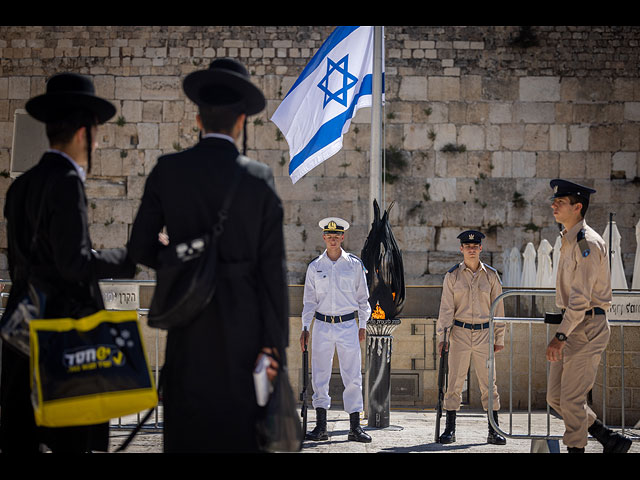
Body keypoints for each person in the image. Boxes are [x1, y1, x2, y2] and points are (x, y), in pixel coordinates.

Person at [127, 58, 289, 453]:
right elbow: (273, 274)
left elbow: (139, 247)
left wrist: (178, 256)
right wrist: (274, 348)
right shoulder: (258, 179)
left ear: (198, 120)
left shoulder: (169, 170)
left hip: (188, 329)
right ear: (241, 121)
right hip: (246, 337)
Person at [0, 72, 136, 453]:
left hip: (20, 334)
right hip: (62, 344)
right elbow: (73, 264)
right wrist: (128, 258)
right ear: (84, 134)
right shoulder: (66, 182)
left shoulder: (21, 186)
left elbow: (23, 264)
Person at [546, 179, 632, 453]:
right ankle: (607, 437)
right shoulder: (568, 239)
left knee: (571, 399)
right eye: (555, 201)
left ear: (578, 207)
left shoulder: (588, 244)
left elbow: (581, 299)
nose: (554, 205)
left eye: (561, 202)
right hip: (572, 324)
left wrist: (560, 336)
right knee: (556, 397)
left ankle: (577, 449)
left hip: (587, 326)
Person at [300, 217, 372, 443]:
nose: (333, 239)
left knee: (352, 376)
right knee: (320, 375)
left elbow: (363, 299)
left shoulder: (353, 264)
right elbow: (309, 301)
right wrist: (305, 328)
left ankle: (354, 427)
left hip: (348, 325)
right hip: (321, 325)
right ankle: (321, 427)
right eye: (329, 236)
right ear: (324, 237)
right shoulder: (315, 267)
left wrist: (362, 325)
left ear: (343, 237)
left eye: (336, 236)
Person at [436, 230, 507, 445]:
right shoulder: (452, 276)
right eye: (468, 247)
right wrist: (442, 337)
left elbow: (499, 309)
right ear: (461, 249)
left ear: (480, 249)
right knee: (455, 381)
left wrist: (499, 338)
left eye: (475, 246)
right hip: (460, 333)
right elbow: (446, 309)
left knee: (489, 383)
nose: (472, 249)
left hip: (485, 334)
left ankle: (493, 429)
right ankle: (450, 429)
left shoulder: (491, 276)